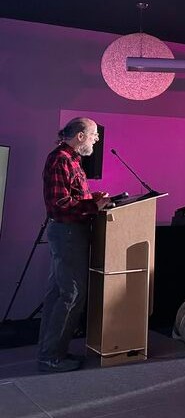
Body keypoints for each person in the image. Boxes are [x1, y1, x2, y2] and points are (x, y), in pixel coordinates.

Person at [38, 117, 111, 373]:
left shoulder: (72, 160)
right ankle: (51, 358)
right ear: (79, 135)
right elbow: (59, 204)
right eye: (93, 134)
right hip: (68, 233)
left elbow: (72, 197)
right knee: (72, 294)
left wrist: (93, 199)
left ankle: (50, 353)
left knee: (59, 294)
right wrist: (93, 206)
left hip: (72, 232)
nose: (96, 139)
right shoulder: (60, 159)